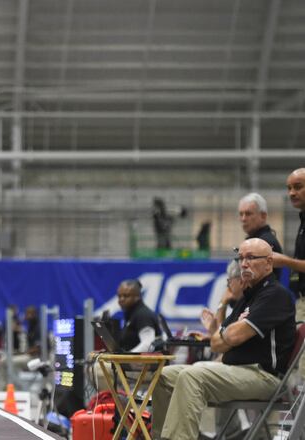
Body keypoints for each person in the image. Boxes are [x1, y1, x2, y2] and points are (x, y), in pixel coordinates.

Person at [152, 238, 296, 440]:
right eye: (241, 258)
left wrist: (229, 333)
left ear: (269, 263)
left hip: (264, 375)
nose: (244, 263)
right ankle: (159, 437)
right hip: (234, 370)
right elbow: (216, 342)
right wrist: (231, 333)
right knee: (163, 376)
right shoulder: (247, 296)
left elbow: (231, 335)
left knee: (193, 376)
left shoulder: (275, 295)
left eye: (251, 258)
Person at [272, 167, 305, 380]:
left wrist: (283, 260)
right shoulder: (302, 221)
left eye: (298, 187)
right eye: (289, 188)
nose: (292, 193)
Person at [238, 192, 282, 279]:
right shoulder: (254, 240)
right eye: (241, 214)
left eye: (248, 214)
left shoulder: (264, 243)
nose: (243, 219)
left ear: (263, 216)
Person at [115, 279, 160, 352]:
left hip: (145, 363)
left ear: (137, 296)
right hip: (133, 362)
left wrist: (127, 357)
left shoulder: (143, 315)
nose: (121, 299)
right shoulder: (131, 313)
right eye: (119, 296)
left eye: (126, 296)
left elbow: (148, 345)